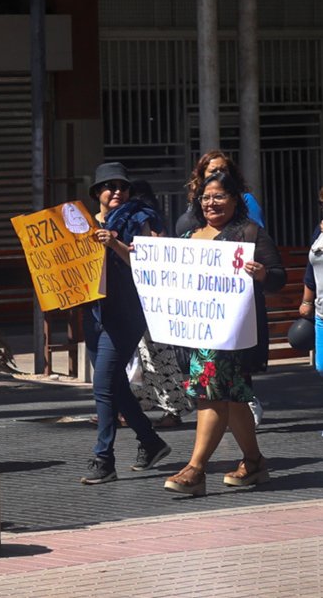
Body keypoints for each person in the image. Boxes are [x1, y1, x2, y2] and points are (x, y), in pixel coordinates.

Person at [164, 170, 285, 496]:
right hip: (197, 332)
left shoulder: (249, 234)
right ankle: (254, 462)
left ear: (235, 200)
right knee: (232, 401)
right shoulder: (189, 238)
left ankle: (196, 469)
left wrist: (261, 274)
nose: (211, 203)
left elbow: (278, 278)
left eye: (219, 196)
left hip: (231, 335)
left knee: (211, 392)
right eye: (205, 198)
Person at [80, 163, 171, 485]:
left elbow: (146, 264)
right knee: (115, 385)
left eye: (122, 186)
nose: (116, 191)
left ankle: (103, 458)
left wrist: (114, 244)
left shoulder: (140, 219)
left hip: (126, 313)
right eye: (109, 186)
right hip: (93, 314)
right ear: (97, 194)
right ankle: (150, 440)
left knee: (103, 385)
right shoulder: (83, 225)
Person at [125, 180, 193, 428]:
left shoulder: (149, 222)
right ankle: (138, 407)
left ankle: (173, 409)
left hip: (152, 302)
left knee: (158, 355)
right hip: (139, 299)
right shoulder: (146, 218)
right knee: (142, 356)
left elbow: (159, 251)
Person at [175, 151, 265, 235]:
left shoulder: (246, 200)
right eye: (213, 171)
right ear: (202, 176)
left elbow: (256, 234)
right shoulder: (196, 203)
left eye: (223, 170)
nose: (219, 174)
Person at [300, 192, 323, 378]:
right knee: (321, 366)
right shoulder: (319, 231)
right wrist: (307, 301)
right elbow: (311, 266)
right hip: (321, 313)